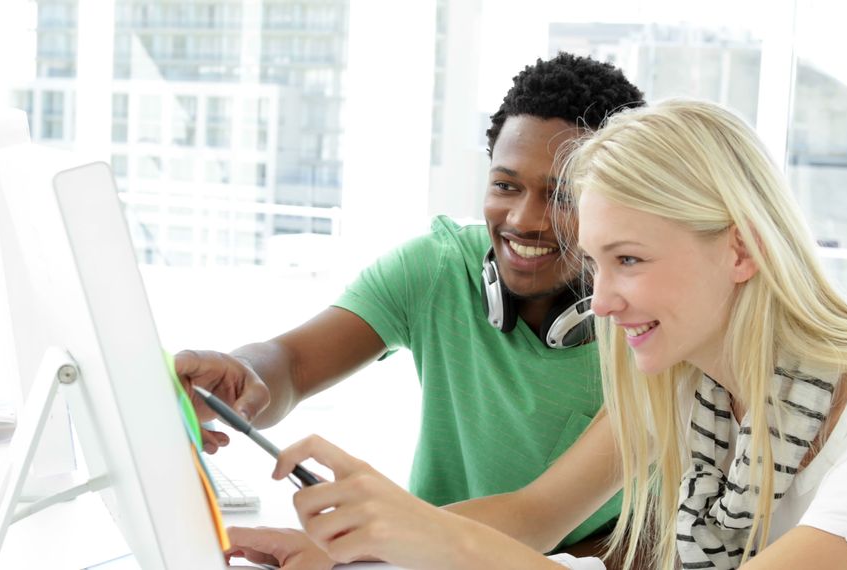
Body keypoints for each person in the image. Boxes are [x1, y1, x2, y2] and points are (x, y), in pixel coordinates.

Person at [238, 99, 847, 570]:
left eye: (629, 260)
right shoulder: (685, 371)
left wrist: (427, 538)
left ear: (742, 248)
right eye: (596, 263)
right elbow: (534, 515)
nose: (603, 301)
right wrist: (347, 546)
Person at [177, 51, 646, 563]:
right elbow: (291, 362)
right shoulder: (437, 268)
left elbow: (533, 520)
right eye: (505, 185)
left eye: (561, 196)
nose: (522, 218)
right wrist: (242, 375)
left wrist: (344, 547)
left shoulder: (649, 329)